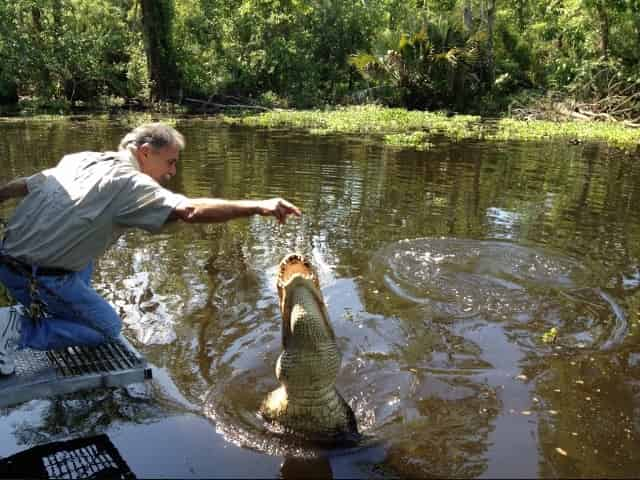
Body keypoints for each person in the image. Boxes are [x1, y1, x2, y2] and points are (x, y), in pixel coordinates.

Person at [0, 122, 301, 375]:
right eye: (170, 162)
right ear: (145, 153)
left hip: (9, 258)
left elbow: (23, 185)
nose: (172, 172)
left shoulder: (81, 158)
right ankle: (19, 331)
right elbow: (190, 211)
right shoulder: (130, 183)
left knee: (91, 235)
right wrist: (258, 206)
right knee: (106, 328)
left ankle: (54, 312)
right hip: (34, 275)